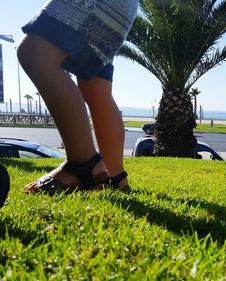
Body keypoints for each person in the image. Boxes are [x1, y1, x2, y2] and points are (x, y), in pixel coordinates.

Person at [19, 0, 139, 193]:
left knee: (35, 53)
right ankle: (115, 177)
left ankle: (83, 164)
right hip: (122, 7)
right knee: (95, 87)